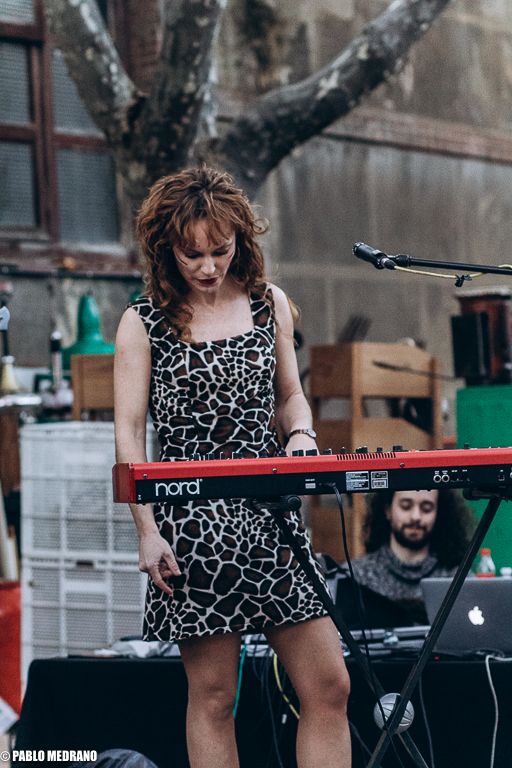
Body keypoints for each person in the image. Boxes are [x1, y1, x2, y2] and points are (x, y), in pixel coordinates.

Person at [114, 167, 351, 768]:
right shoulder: (143, 321)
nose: (208, 267)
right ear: (165, 247)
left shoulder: (270, 305)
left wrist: (301, 434)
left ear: (241, 240)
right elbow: (129, 435)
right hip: (193, 523)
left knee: (329, 686)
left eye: (220, 250)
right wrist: (147, 532)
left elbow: (290, 396)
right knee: (215, 698)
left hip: (271, 516)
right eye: (191, 254)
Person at [339, 488, 475, 623]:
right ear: (387, 510)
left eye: (426, 509)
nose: (416, 516)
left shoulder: (460, 578)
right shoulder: (354, 578)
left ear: (439, 513)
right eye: (406, 506)